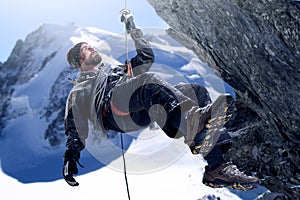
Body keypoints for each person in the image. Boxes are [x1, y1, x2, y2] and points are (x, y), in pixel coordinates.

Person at [62, 10, 258, 190]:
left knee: (196, 92)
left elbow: (146, 57)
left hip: (138, 107)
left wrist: (132, 28)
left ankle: (216, 167)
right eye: (86, 49)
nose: (92, 49)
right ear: (80, 63)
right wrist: (71, 156)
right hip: (114, 111)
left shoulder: (117, 72)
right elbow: (75, 125)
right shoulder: (80, 90)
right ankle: (192, 120)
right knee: (147, 82)